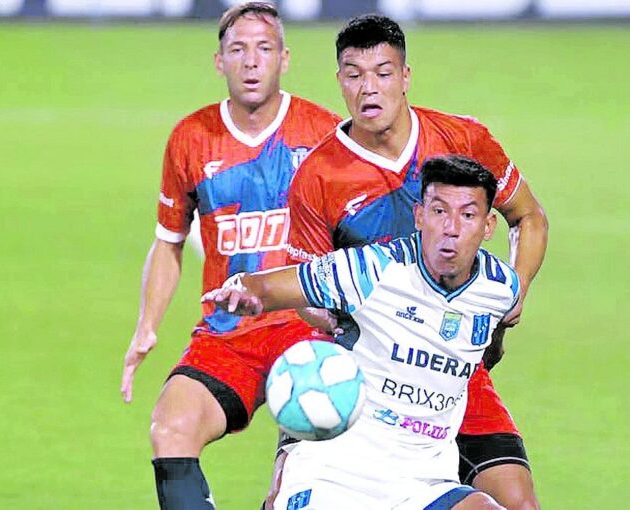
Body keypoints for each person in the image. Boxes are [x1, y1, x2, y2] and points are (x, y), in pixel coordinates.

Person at [277, 14, 549, 510]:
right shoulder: (317, 176)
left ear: (405, 77)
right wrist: (381, 314)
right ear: (339, 80)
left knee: (518, 504)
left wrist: (514, 296)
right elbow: (306, 297)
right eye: (355, 75)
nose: (369, 88)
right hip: (363, 376)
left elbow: (528, 217)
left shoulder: (463, 141)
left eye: (382, 72)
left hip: (450, 373)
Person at [119, 3, 340, 509]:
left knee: (297, 484)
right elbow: (169, 241)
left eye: (264, 49)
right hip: (228, 334)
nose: (251, 61)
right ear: (219, 61)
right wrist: (147, 325)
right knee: (169, 430)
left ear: (285, 58)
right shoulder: (191, 139)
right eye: (237, 50)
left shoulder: (326, 134)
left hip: (308, 330)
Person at [205, 156, 517, 510]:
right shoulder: (370, 269)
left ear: (489, 225)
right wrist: (241, 291)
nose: (451, 228)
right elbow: (266, 287)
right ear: (419, 216)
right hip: (337, 471)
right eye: (439, 211)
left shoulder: (500, 288)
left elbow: (488, 347)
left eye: (468, 215)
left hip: (425, 481)